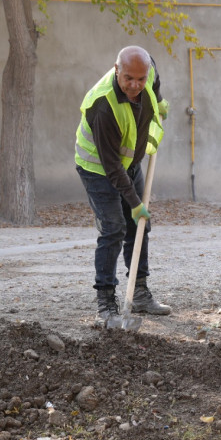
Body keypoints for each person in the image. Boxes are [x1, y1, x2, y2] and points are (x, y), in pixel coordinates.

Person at [74, 46, 172, 326]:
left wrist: (160, 101)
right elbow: (112, 167)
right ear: (117, 70)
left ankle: (139, 292)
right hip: (98, 168)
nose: (135, 85)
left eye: (141, 79)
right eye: (128, 78)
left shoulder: (147, 71)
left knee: (139, 227)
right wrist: (136, 203)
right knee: (115, 227)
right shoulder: (102, 106)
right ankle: (105, 305)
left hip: (128, 162)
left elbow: (154, 81)